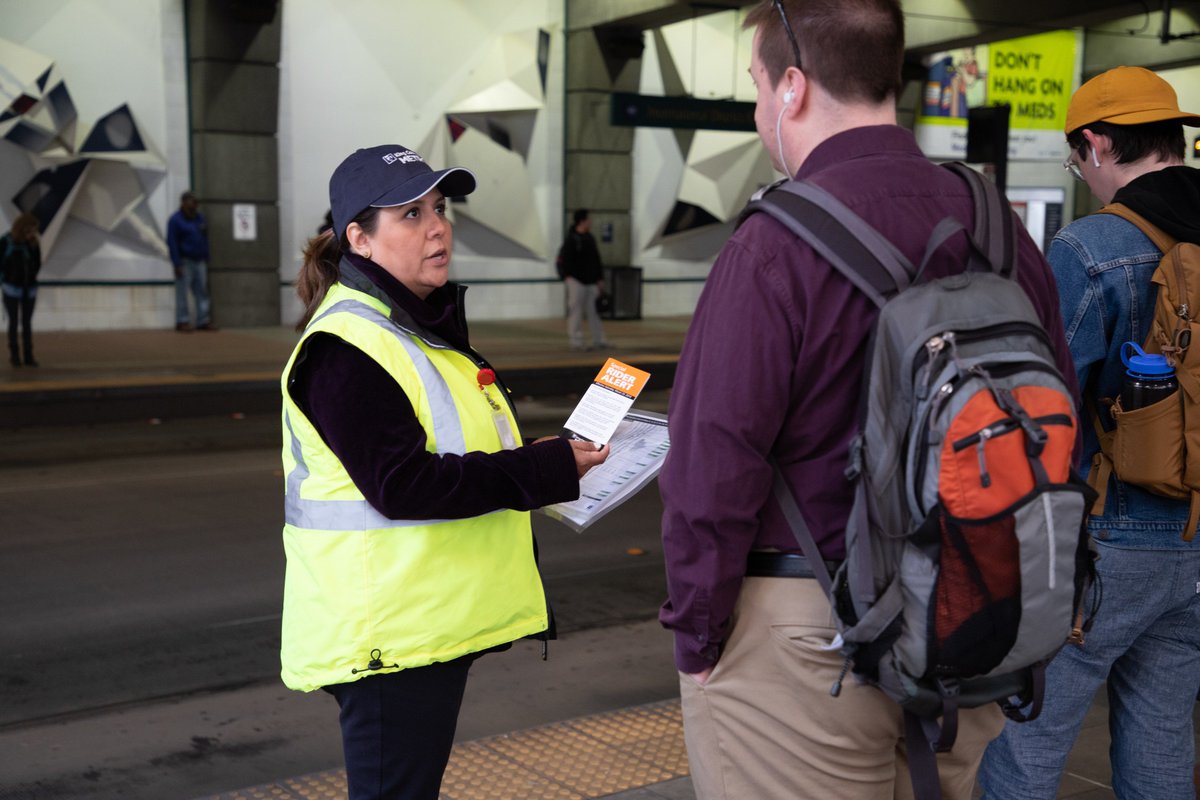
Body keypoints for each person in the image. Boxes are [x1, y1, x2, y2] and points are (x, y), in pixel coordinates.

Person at [657, 2, 1077, 798]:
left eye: (754, 84)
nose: (755, 109)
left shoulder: (771, 244)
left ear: (791, 86)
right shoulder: (998, 227)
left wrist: (699, 635)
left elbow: (712, 468)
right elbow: (1060, 417)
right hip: (971, 609)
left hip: (807, 639)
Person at [279, 144, 608, 800]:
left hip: (418, 630)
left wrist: (544, 458)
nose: (438, 226)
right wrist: (542, 468)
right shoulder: (344, 348)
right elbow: (404, 483)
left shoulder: (413, 332)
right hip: (385, 640)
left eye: (440, 207)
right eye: (409, 213)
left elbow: (460, 453)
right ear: (359, 239)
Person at [977, 66, 1200, 800]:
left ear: (1098, 145)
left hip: (1105, 542)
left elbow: (1039, 405)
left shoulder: (1091, 248)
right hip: (1194, 543)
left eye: (1078, 158)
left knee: (1024, 746)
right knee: (1163, 749)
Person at [557, 208, 609, 351]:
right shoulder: (571, 240)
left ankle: (599, 340)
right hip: (576, 282)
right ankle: (576, 342)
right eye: (589, 219)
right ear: (582, 221)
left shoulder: (589, 238)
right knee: (576, 312)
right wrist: (567, 277)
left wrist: (599, 278)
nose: (591, 222)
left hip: (591, 282)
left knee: (594, 313)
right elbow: (562, 261)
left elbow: (596, 260)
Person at [166, 190, 216, 331]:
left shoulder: (200, 219)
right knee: (182, 292)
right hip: (184, 261)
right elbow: (172, 242)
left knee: (202, 292)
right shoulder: (175, 220)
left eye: (195, 202)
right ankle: (182, 321)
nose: (194, 204)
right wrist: (177, 264)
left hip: (200, 261)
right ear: (183, 203)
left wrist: (207, 257)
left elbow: (205, 239)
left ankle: (203, 320)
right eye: (191, 202)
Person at [1, 212, 41, 367]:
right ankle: (15, 355)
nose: (33, 233)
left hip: (29, 288)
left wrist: (31, 276)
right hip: (11, 288)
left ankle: (28, 355)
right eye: (31, 230)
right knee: (13, 322)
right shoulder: (6, 241)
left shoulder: (33, 244)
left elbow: (37, 263)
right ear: (22, 228)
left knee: (26, 322)